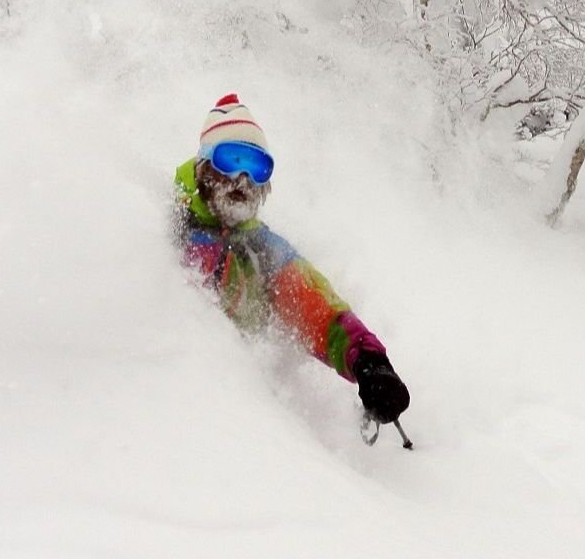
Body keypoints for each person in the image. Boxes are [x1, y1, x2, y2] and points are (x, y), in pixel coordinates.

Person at [173, 94, 410, 425]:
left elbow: (319, 311)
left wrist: (369, 363)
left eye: (256, 167)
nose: (242, 179)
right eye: (231, 159)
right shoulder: (167, 225)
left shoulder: (263, 252)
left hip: (243, 416)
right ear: (203, 166)